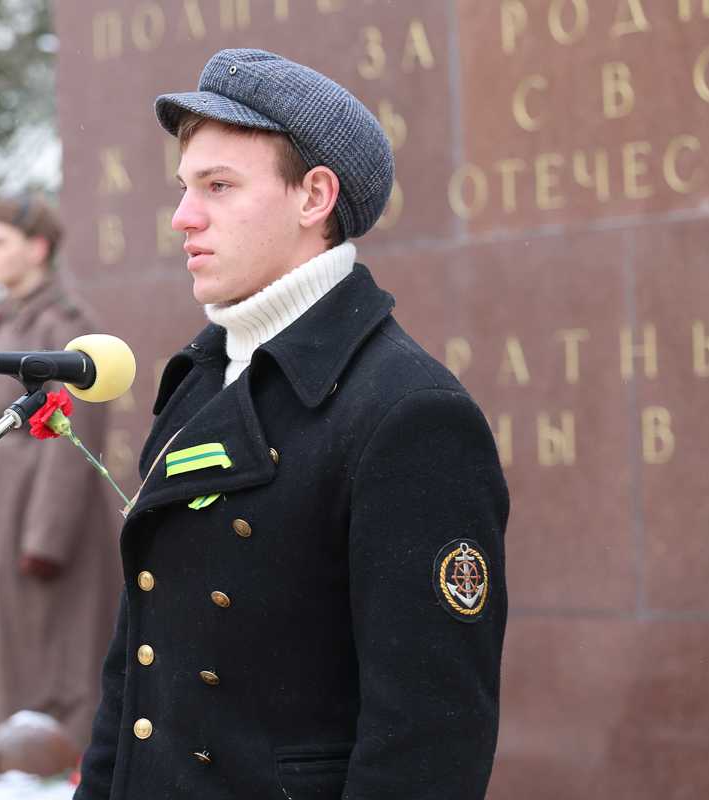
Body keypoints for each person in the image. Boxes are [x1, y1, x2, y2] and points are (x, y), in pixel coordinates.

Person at [75, 50, 509, 799]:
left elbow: (429, 741)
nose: (183, 217)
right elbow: (138, 676)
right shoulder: (201, 381)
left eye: (218, 187)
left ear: (314, 196)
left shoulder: (410, 414)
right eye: (185, 188)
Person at [0, 193, 122, 767]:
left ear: (39, 247)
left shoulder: (68, 325)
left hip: (40, 530)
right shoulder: (2, 318)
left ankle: (56, 775)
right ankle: (7, 771)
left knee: (55, 666)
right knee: (5, 666)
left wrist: (45, 537)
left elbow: (78, 434)